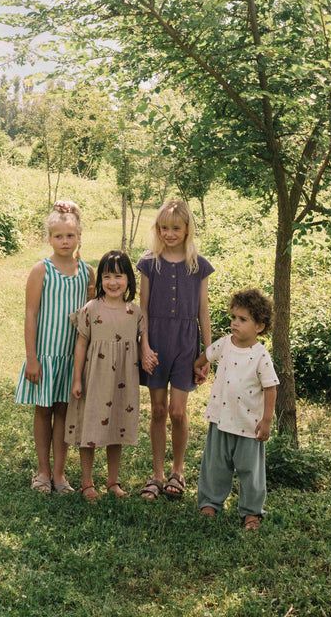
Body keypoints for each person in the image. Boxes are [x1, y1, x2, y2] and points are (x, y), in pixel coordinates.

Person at [137, 197, 214, 501]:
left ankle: (177, 471)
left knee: (178, 412)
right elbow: (141, 308)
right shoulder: (148, 262)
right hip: (155, 341)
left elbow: (204, 312)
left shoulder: (198, 265)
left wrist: (207, 354)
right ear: (158, 229)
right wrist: (144, 347)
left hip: (185, 343)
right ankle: (156, 475)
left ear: (186, 230)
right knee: (157, 410)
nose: (169, 234)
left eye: (176, 228)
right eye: (164, 228)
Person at [15, 200, 94, 494]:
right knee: (43, 410)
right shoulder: (41, 270)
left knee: (64, 412)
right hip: (46, 355)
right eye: (59, 236)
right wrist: (32, 358)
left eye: (70, 235)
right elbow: (31, 314)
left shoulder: (87, 272)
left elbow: (90, 316)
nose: (65, 241)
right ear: (49, 239)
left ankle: (60, 475)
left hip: (72, 358)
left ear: (79, 238)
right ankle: (42, 472)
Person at [65, 250, 145, 501]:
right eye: (107, 276)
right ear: (100, 280)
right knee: (89, 426)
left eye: (119, 276)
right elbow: (81, 344)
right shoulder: (91, 308)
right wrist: (77, 378)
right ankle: (87, 482)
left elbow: (143, 343)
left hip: (123, 381)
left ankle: (113, 481)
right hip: (95, 379)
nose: (113, 282)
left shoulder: (136, 312)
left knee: (117, 424)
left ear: (129, 280)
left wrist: (148, 356)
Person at [197, 288, 279, 531]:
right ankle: (210, 503)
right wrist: (198, 367)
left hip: (248, 423)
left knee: (249, 470)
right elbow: (207, 355)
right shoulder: (225, 344)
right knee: (215, 466)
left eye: (243, 319)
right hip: (220, 419)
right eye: (233, 317)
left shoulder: (260, 356)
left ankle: (251, 512)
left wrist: (266, 421)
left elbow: (271, 388)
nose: (235, 323)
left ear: (259, 327)